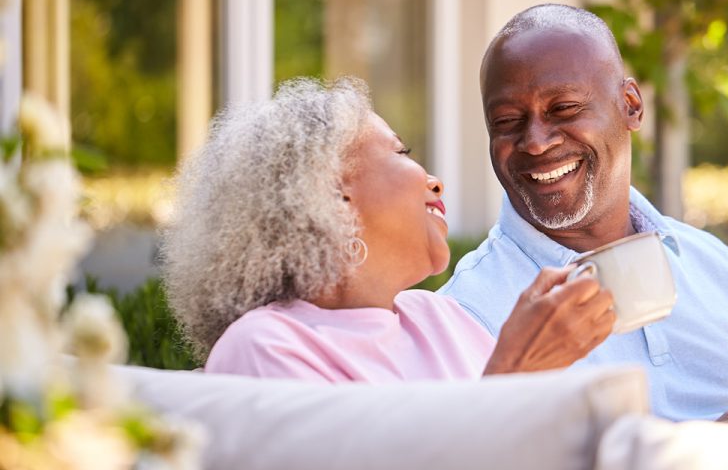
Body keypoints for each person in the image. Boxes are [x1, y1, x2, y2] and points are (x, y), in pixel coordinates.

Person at [439, 3, 728, 435]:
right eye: (507, 121)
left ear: (630, 105)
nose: (535, 142)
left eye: (565, 109)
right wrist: (718, 449)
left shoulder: (710, 263)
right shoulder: (470, 309)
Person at [161, 76, 615, 383]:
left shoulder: (444, 319)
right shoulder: (266, 346)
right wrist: (516, 373)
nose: (434, 180)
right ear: (330, 196)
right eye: (401, 153)